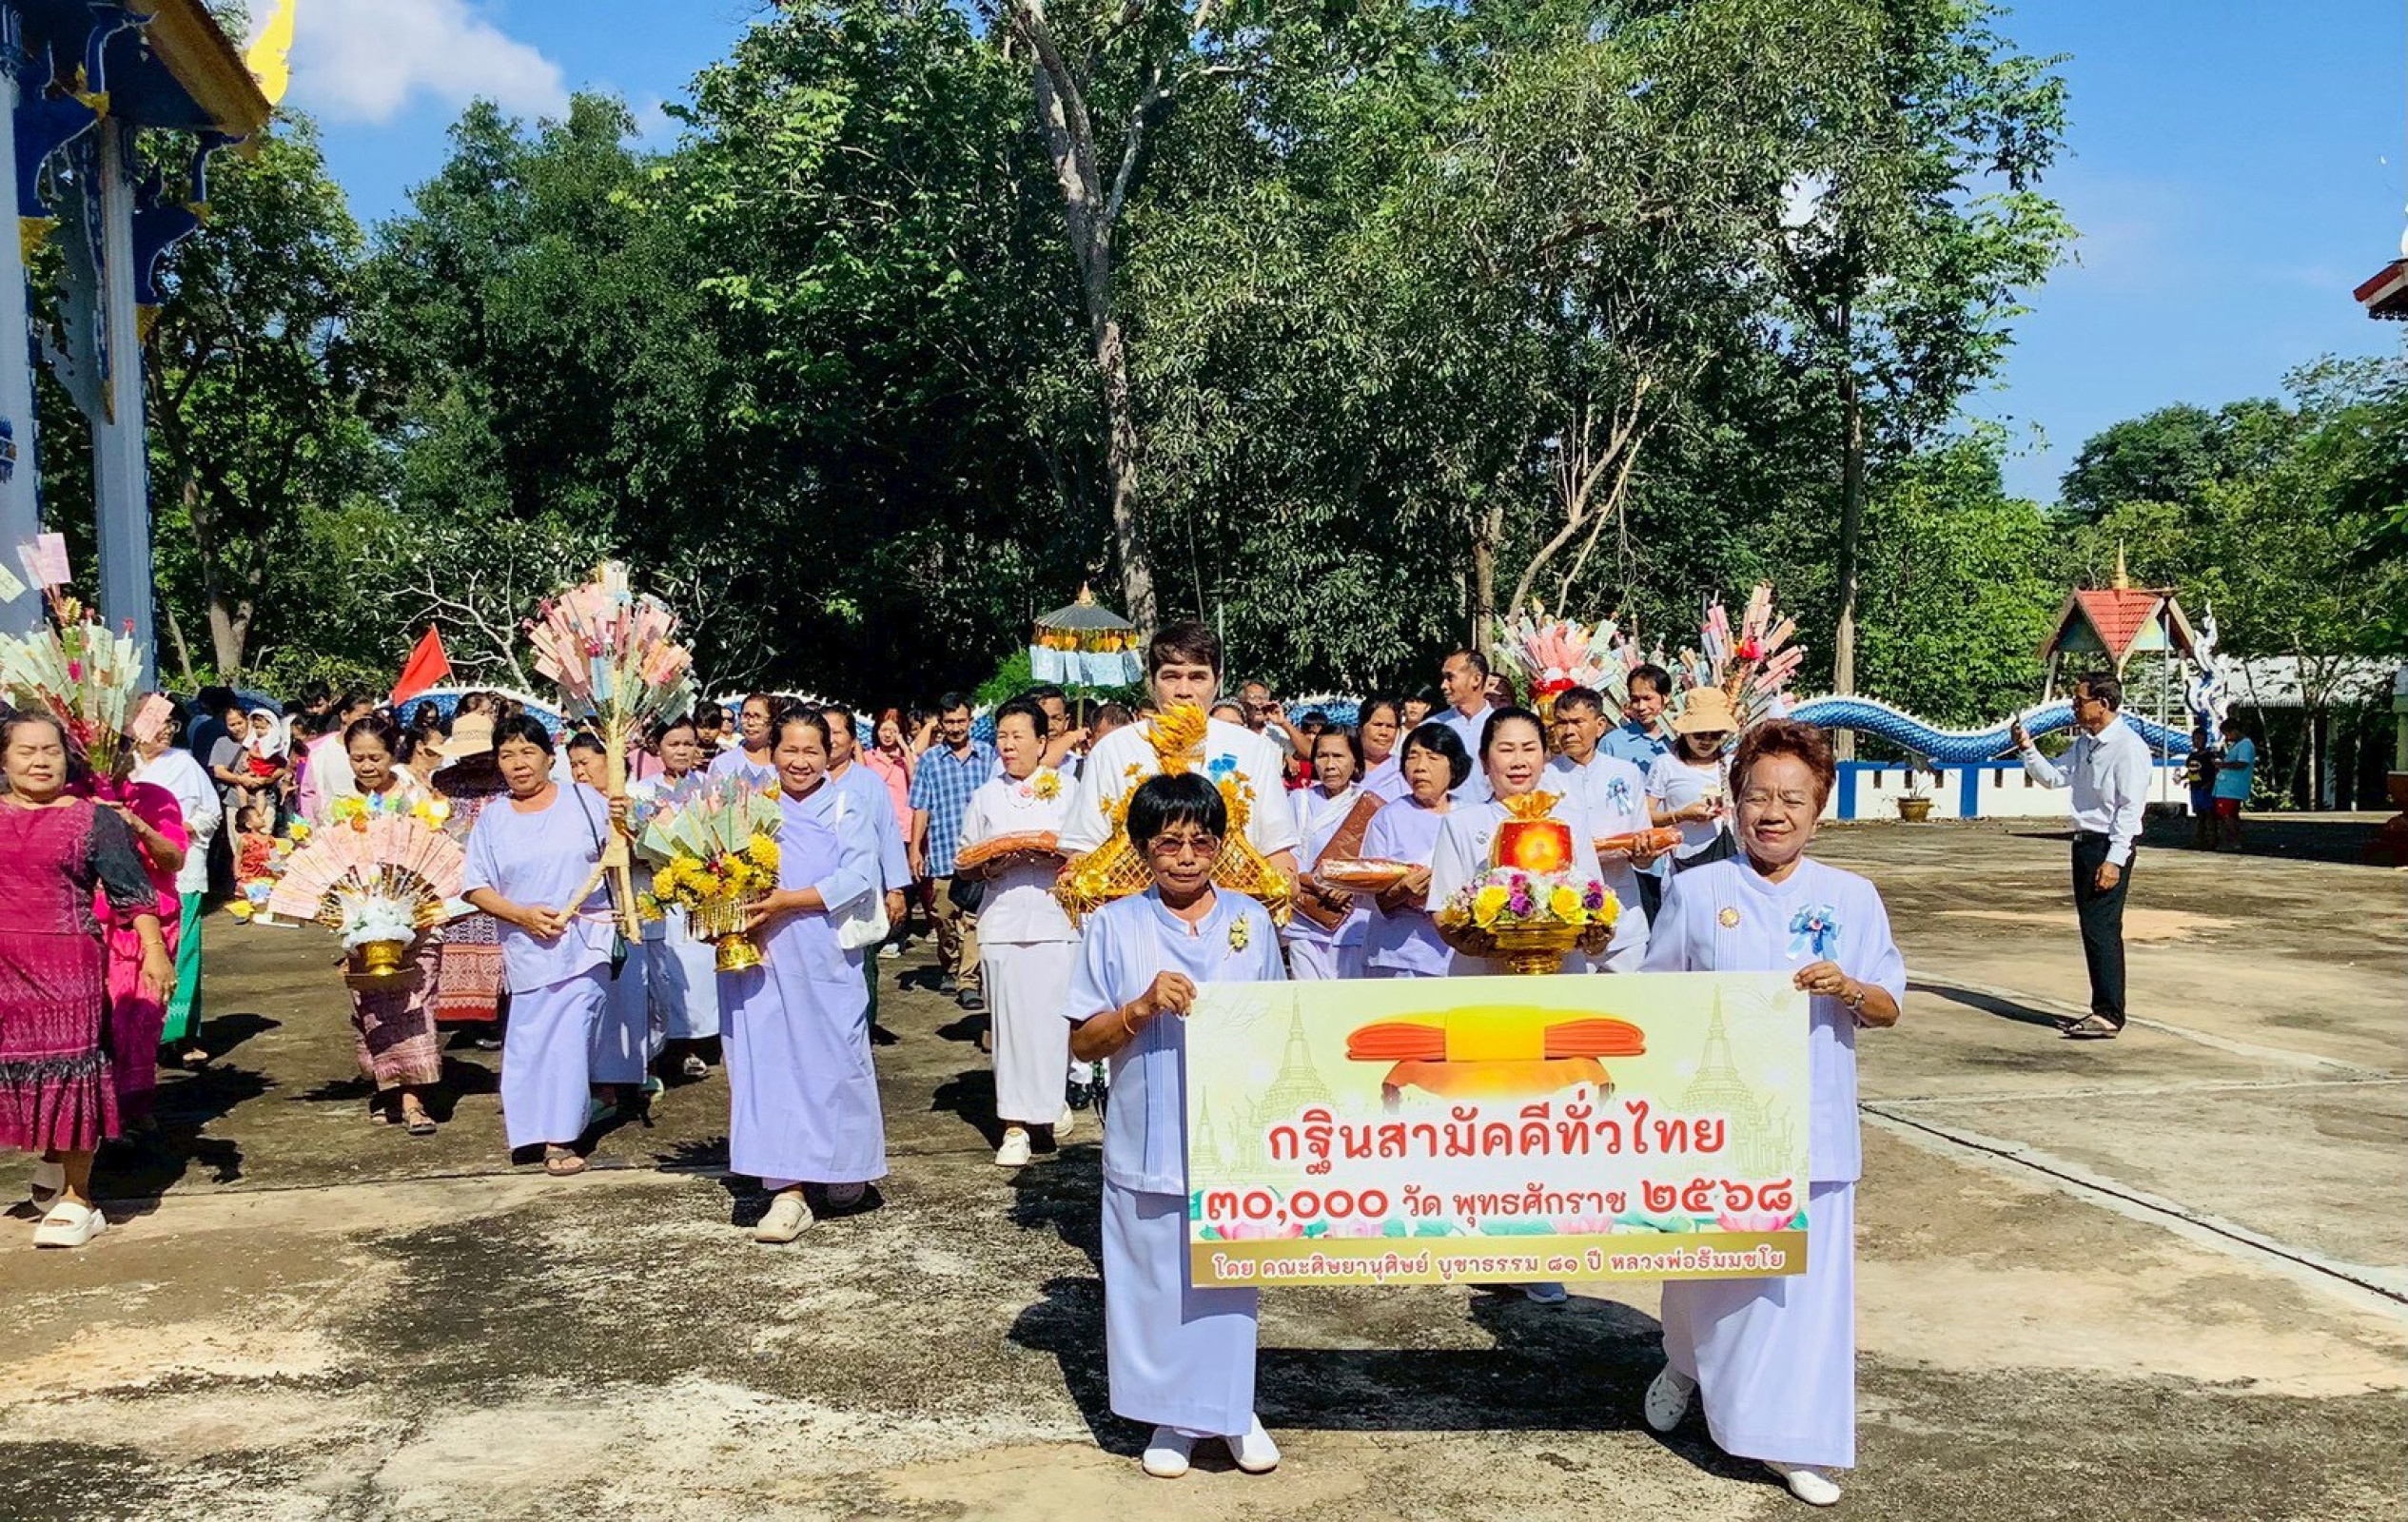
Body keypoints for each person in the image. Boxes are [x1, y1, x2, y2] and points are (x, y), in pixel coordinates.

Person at [1639, 718, 1905, 1509]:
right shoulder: (1695, 891)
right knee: (1708, 1282)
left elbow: (1890, 1002)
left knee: (1799, 1299)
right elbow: (1656, 1000)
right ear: (1732, 803)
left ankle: (1788, 1441)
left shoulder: (1850, 899)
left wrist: (1849, 990)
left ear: (1818, 810)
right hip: (1718, 1132)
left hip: (1814, 1128)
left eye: (1791, 799)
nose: (1772, 813)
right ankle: (1683, 1365)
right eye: (1757, 796)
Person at [1061, 771, 1285, 1479]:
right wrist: (1139, 1008)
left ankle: (1230, 1408)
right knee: (1153, 1279)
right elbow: (1083, 1041)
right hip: (1146, 1128)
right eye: (1168, 844)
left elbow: (1280, 1025)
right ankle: (1173, 1417)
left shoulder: (1251, 921)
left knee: (1225, 1275)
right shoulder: (1113, 925)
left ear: (1220, 845)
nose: (1186, 857)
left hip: (1230, 1131)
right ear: (1141, 851)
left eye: (1200, 841)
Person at [2, 714, 172, 1248]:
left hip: (66, 964)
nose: (39, 761)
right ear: (4, 759)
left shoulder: (94, 820)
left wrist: (153, 953)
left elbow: (131, 890)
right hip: (3, 964)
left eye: (50, 750)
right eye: (26, 751)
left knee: (72, 1070)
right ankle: (51, 1159)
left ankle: (80, 1196)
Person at [724, 709, 886, 1242]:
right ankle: (787, 1190)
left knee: (835, 1062)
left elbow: (861, 876)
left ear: (830, 753)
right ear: (773, 752)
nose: (799, 761)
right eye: (788, 750)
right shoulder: (747, 806)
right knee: (768, 1066)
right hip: (760, 956)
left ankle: (843, 1165)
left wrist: (787, 901)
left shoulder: (849, 804)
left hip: (824, 954)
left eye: (810, 751)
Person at [460, 716, 625, 1176]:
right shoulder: (492, 818)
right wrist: (522, 915)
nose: (519, 764)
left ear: (550, 758)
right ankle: (532, 1130)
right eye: (507, 755)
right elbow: (476, 887)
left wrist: (626, 821)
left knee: (571, 1037)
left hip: (586, 939)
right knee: (531, 1040)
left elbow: (622, 850)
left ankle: (561, 1138)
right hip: (526, 948)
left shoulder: (585, 801)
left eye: (527, 752)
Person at [1057, 622, 1302, 881]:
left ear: (1217, 682)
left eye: (1197, 677)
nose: (1184, 691)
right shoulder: (1114, 749)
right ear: (1152, 682)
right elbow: (1084, 850)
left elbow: (1278, 852)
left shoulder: (1252, 749)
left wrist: (1280, 889)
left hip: (1232, 911)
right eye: (1171, 676)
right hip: (1136, 910)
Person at [957, 697, 1078, 1166]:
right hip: (1002, 920)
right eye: (1002, 737)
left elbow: (1089, 854)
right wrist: (991, 863)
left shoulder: (1069, 790)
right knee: (1008, 1026)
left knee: (1052, 1024)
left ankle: (1047, 1110)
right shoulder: (986, 796)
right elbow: (964, 862)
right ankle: (1013, 1124)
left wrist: (1054, 857)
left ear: (1042, 741)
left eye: (1018, 737)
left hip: (1056, 920)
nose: (1009, 746)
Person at [1431, 707, 1641, 975]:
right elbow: (1440, 908)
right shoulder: (1460, 823)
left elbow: (1595, 900)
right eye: (1506, 750)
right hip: (1485, 977)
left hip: (1561, 975)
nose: (1519, 761)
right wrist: (1471, 943)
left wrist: (1597, 937)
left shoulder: (1570, 822)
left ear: (1545, 758)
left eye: (1529, 749)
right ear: (1485, 760)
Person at [2013, 675, 2150, 1041]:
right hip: (2085, 841)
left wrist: (2115, 859)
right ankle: (2101, 1006)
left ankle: (2109, 1013)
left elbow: (2129, 808)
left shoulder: (2128, 747)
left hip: (2109, 843)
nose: (2075, 707)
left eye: (2080, 701)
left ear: (2102, 703)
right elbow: (2054, 777)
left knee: (2103, 929)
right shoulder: (2085, 744)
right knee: (2092, 928)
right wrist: (2027, 748)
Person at [334, 713, 445, 1134]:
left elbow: (433, 851)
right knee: (372, 1006)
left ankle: (415, 1099)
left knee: (415, 1002)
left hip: (418, 917)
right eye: (357, 758)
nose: (366, 766)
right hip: (361, 918)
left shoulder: (416, 797)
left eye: (374, 757)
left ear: (392, 752)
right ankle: (388, 1086)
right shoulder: (341, 805)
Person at [85, 745, 188, 1125]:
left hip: (153, 924)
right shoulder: (70, 803)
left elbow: (174, 859)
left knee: (142, 1021)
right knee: (99, 1023)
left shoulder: (155, 798)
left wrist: (137, 826)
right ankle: (104, 1113)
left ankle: (132, 1107)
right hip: (90, 927)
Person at [566, 732, 657, 1118]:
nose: (579, 771)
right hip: (587, 914)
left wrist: (628, 833)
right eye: (572, 764)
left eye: (586, 762)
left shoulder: (636, 799)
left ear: (611, 761)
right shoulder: (568, 805)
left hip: (631, 910)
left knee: (632, 998)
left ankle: (634, 1073)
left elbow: (659, 849)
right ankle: (601, 1086)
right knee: (595, 1001)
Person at [632, 716, 721, 1080]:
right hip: (659, 891)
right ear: (658, 748)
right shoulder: (640, 791)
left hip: (701, 890)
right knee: (663, 970)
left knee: (701, 969)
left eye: (688, 743)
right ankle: (660, 1045)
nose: (682, 751)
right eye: (674, 744)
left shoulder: (710, 788)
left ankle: (696, 1044)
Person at [132, 712, 221, 1067]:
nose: (166, 731)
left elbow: (211, 814)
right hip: (137, 875)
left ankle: (180, 1033)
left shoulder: (184, 764)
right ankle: (143, 1029)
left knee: (182, 950)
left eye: (170, 725)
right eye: (158, 724)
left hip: (182, 870)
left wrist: (178, 827)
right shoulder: (124, 766)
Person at [1547, 685, 1662, 939]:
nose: (1568, 731)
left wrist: (1645, 855)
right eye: (1561, 723)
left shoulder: (1626, 774)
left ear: (1600, 726)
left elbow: (1642, 839)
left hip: (1623, 909)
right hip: (1565, 910)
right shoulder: (1544, 779)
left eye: (1577, 722)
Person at [909, 693, 997, 1015]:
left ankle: (968, 981)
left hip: (979, 854)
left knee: (974, 919)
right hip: (944, 851)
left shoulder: (988, 756)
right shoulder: (930, 761)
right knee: (944, 917)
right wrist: (916, 849)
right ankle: (950, 965)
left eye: (961, 721)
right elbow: (921, 807)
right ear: (941, 724)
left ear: (971, 721)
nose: (956, 728)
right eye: (950, 722)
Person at [1360, 722, 1469, 980]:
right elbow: (1370, 895)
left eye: (1433, 757)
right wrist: (1403, 891)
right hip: (1400, 954)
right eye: (1412, 757)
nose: (1420, 767)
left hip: (1458, 955)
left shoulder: (1470, 816)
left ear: (1453, 765)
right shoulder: (1388, 817)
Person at [822, 707, 911, 1020]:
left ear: (852, 739)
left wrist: (896, 889)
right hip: (815, 895)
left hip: (862, 891)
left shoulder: (868, 782)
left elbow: (889, 835)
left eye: (837, 732)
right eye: (825, 731)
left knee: (862, 963)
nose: (830, 740)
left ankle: (863, 1029)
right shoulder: (805, 779)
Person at [427, 714, 514, 1033]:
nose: (476, 760)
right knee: (454, 937)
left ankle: (499, 1013)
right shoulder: (444, 782)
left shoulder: (508, 782)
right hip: (454, 873)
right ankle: (465, 1015)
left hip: (500, 874)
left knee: (501, 944)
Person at [1286, 725, 1372, 981]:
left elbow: (1375, 859)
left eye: (1339, 756)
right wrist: (1317, 884)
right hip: (1304, 921)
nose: (1330, 764)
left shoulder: (1369, 806)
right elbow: (1287, 853)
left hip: (1352, 922)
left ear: (1355, 759)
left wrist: (1347, 887)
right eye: (1323, 756)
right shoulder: (1296, 801)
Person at [1649, 689, 1738, 875]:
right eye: (1699, 734)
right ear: (1686, 733)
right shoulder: (1666, 764)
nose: (1706, 741)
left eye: (1714, 735)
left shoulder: (1730, 766)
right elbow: (1646, 816)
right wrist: (1681, 815)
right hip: (1680, 864)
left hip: (1725, 860)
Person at [1436, 651, 1496, 800]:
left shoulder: (1503, 726)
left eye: (1450, 678)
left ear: (1476, 679)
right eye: (1444, 678)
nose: (1443, 686)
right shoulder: (1433, 727)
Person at [1599, 663, 1674, 768]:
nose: (1641, 707)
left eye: (1647, 698)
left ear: (1666, 697)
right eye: (1635, 700)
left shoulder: (1685, 739)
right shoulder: (1612, 744)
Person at [708, 693, 778, 786]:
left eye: (757, 717)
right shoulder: (723, 763)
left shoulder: (784, 763)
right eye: (746, 716)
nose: (750, 723)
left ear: (771, 721)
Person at [2213, 715, 2254, 849]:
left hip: (2232, 787)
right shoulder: (2238, 745)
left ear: (2234, 731)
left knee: (2227, 815)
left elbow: (2243, 762)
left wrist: (2223, 765)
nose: (2227, 737)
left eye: (2227, 733)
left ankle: (2233, 841)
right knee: (2229, 814)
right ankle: (2232, 840)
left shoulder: (2245, 744)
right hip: (2227, 787)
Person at [1357, 696, 1407, 803]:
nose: (1383, 732)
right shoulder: (1345, 765)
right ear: (1361, 727)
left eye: (1390, 726)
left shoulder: (1405, 769)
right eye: (1378, 725)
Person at [2183, 724, 2219, 851]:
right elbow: (2191, 770)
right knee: (2199, 815)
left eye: (2199, 738)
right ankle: (2199, 840)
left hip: (2206, 789)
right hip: (2195, 788)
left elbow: (2215, 771)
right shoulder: (2192, 756)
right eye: (2195, 739)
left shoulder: (2209, 756)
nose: (2197, 741)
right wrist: (2184, 779)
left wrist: (2210, 784)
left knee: (2209, 815)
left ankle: (2212, 840)